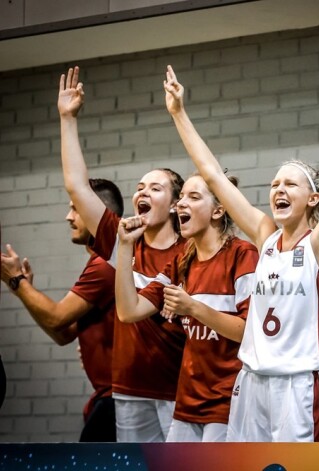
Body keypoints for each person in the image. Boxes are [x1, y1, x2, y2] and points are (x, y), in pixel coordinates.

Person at [163, 55, 319, 443]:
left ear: (312, 198)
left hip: (299, 386)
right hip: (252, 382)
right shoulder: (265, 236)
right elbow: (212, 174)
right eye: (275, 184)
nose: (279, 189)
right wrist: (179, 113)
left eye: (290, 184)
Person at [58, 66, 187, 442]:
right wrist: (67, 119)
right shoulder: (123, 239)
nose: (143, 192)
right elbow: (77, 187)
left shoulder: (189, 252)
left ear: (176, 203)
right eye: (139, 186)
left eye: (156, 187)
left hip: (180, 393)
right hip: (128, 392)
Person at [114, 173, 258, 442]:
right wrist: (124, 246)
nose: (181, 204)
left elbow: (247, 331)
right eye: (181, 197)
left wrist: (193, 308)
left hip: (228, 402)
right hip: (187, 402)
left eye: (193, 197)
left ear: (218, 210)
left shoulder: (243, 254)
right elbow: (128, 311)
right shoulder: (182, 260)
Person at [1, 178, 124, 442]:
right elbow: (64, 334)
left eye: (75, 208)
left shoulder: (106, 263)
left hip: (118, 399)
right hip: (108, 397)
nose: (68, 217)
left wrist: (17, 282)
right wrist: (22, 289)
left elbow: (56, 318)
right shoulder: (101, 261)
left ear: (100, 213)